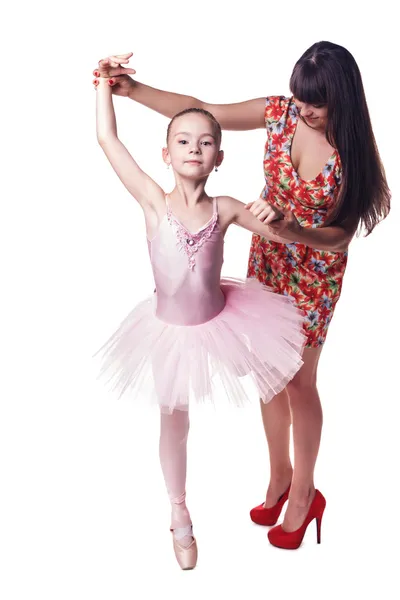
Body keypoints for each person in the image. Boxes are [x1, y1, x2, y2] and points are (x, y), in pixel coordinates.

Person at [93, 41, 390, 551]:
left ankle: (304, 493)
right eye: (300, 100)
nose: (305, 110)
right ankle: (278, 477)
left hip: (314, 268)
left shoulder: (350, 151)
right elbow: (200, 110)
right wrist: (131, 90)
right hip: (270, 259)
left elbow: (341, 236)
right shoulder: (278, 114)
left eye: (316, 103)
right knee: (269, 378)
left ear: (342, 99)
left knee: (300, 382)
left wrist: (297, 232)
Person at [93, 71, 310, 568]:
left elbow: (284, 236)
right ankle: (179, 512)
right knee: (175, 419)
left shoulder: (227, 208)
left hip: (223, 320)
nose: (195, 147)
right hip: (169, 330)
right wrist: (104, 82)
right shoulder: (153, 200)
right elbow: (107, 138)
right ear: (166, 154)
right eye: (183, 140)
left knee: (273, 383)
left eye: (207, 141)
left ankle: (286, 479)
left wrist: (275, 213)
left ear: (219, 156)